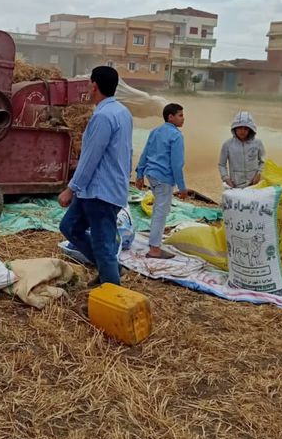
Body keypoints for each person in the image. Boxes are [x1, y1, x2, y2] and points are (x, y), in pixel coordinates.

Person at [58, 66, 133, 287]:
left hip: (101, 191)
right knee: (70, 227)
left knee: (103, 245)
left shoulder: (103, 116)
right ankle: (110, 267)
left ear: (94, 86)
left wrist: (71, 188)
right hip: (99, 189)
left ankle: (112, 291)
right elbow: (128, 152)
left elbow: (90, 158)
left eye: (89, 84)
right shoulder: (123, 112)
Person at [135, 103, 188, 259]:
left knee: (159, 210)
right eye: (180, 115)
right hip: (164, 178)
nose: (183, 118)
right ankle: (155, 249)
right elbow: (177, 164)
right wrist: (182, 187)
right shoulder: (176, 136)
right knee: (161, 212)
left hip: (152, 175)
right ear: (170, 117)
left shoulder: (155, 131)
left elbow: (145, 153)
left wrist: (139, 174)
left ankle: (154, 243)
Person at [218, 111, 265, 188]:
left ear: (250, 129)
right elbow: (221, 165)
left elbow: (263, 162)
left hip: (254, 184)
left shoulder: (257, 143)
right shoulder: (227, 145)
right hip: (235, 185)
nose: (242, 131)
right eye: (240, 128)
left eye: (246, 128)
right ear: (235, 128)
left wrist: (258, 175)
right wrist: (226, 179)